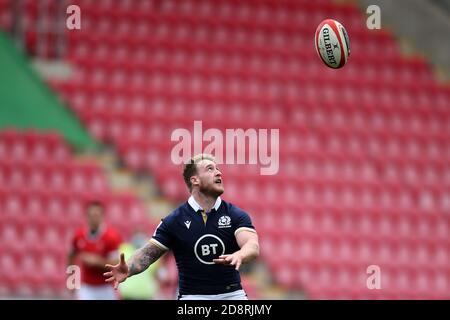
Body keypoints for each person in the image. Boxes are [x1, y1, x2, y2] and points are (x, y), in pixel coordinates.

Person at [104, 154, 260, 300]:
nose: (218, 173)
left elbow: (252, 245)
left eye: (217, 168)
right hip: (192, 297)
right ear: (195, 180)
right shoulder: (173, 221)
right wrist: (129, 268)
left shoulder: (236, 215)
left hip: (232, 295)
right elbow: (148, 254)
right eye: (210, 169)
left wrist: (240, 255)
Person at [68, 200, 122, 300]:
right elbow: (71, 257)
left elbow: (116, 264)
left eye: (96, 215)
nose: (94, 218)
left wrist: (98, 261)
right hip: (87, 287)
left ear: (102, 216)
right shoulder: (78, 235)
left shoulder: (111, 237)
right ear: (86, 216)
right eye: (91, 215)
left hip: (106, 287)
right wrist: (72, 281)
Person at [118, 230, 160, 300]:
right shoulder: (123, 249)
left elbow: (156, 273)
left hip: (145, 295)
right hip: (127, 295)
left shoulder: (150, 253)